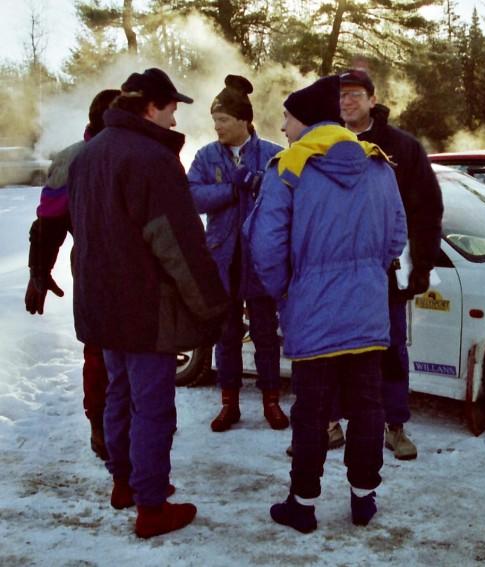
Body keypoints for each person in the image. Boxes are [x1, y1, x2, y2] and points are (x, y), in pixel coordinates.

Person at [67, 68, 229, 538]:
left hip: (100, 304)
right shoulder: (152, 159)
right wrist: (212, 306)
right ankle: (152, 506)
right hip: (146, 309)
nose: (176, 118)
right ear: (151, 107)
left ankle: (124, 483)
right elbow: (176, 243)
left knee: (119, 395)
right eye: (173, 107)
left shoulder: (87, 155)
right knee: (153, 407)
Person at [245, 75, 407, 533]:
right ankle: (363, 497)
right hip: (368, 308)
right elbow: (396, 235)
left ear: (306, 120)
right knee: (368, 406)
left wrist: (287, 291)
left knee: (312, 411)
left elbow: (266, 246)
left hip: (312, 310)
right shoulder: (377, 164)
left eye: (287, 118)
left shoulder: (289, 167)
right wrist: (367, 274)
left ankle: (303, 503)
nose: (281, 127)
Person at [337, 68, 444, 461]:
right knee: (336, 349)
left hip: (387, 270)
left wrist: (422, 265)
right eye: (342, 96)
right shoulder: (324, 143)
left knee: (391, 348)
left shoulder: (402, 147)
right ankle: (331, 421)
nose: (347, 102)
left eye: (354, 94)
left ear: (371, 99)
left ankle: (394, 425)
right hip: (336, 271)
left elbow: (427, 209)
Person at [188, 75, 288, 433]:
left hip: (261, 259)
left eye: (223, 120)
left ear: (243, 120)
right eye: (214, 120)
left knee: (265, 334)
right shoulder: (206, 156)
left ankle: (271, 402)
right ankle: (228, 403)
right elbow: (192, 197)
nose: (217, 127)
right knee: (226, 334)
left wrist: (261, 184)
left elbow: (287, 202)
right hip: (222, 258)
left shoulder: (274, 154)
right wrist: (232, 187)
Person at [25, 88, 120, 461]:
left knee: (119, 354)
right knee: (101, 352)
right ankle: (100, 425)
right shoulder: (72, 159)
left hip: (119, 270)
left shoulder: (128, 152)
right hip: (97, 270)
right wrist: (38, 271)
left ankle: (118, 427)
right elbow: (48, 223)